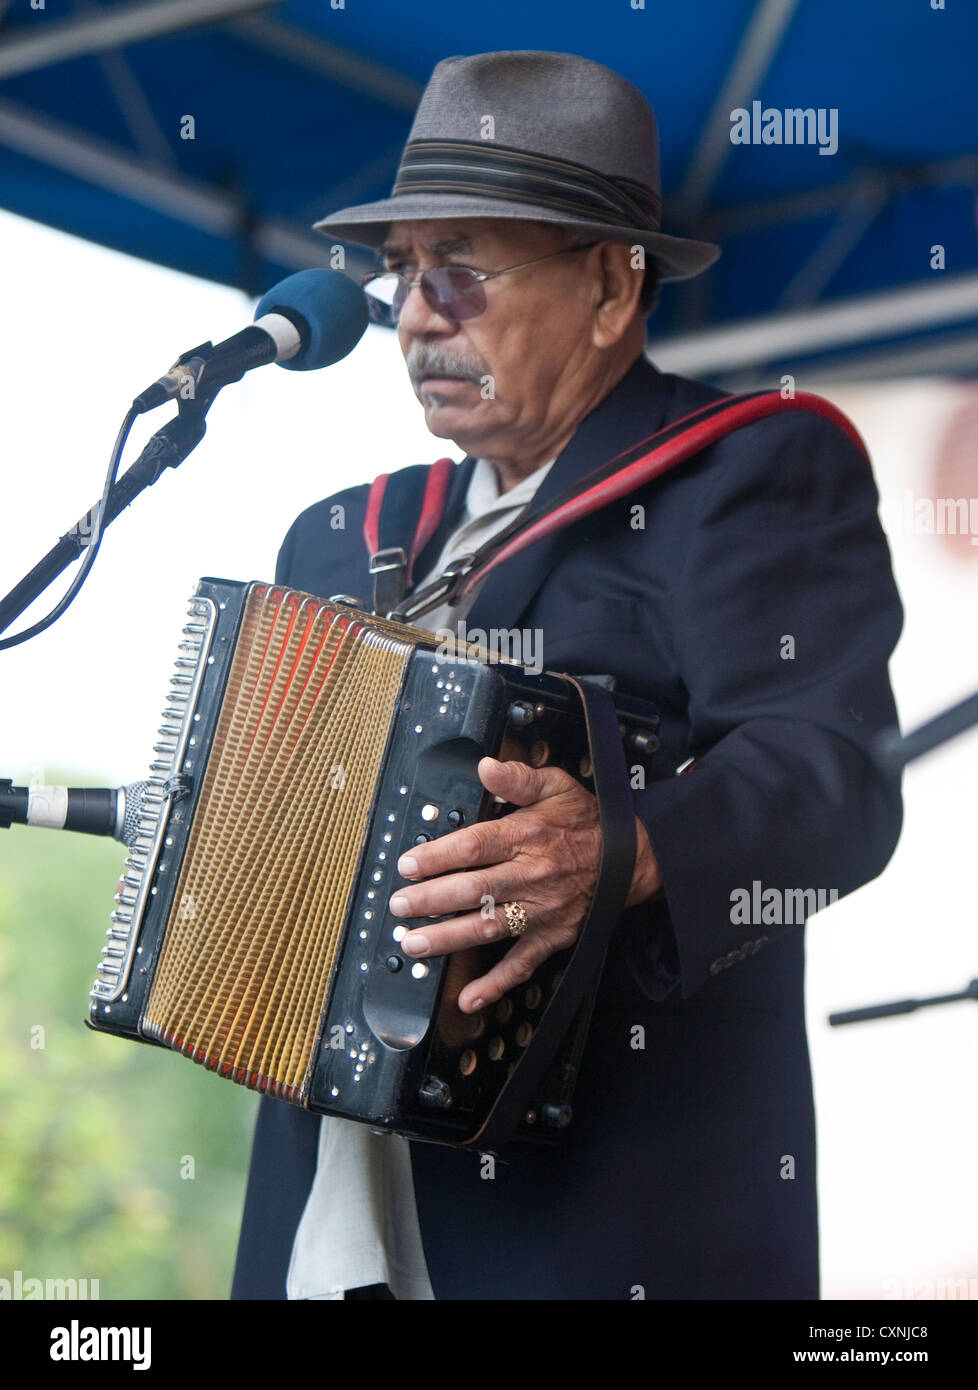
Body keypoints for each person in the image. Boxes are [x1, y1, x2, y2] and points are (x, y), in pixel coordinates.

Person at [231, 50, 903, 1301]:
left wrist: (627, 848)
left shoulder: (744, 476)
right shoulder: (342, 533)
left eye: (462, 272)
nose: (418, 314)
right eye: (401, 274)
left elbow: (832, 778)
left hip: (602, 1226)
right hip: (322, 1224)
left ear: (609, 284)